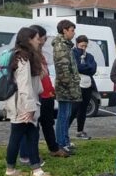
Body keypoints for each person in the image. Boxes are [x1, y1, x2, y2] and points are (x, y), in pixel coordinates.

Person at [5, 27, 56, 176]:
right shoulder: (23, 59)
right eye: (36, 38)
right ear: (29, 40)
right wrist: (30, 108)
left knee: (31, 135)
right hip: (23, 105)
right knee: (18, 136)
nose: (38, 40)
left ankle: (35, 170)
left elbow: (36, 81)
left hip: (24, 103)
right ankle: (13, 170)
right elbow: (25, 85)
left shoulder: (25, 57)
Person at [26, 25, 68, 158]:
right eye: (41, 38)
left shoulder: (40, 54)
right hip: (38, 95)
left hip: (47, 94)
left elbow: (45, 75)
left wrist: (51, 89)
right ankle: (31, 152)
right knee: (34, 126)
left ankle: (53, 148)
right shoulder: (29, 55)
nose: (42, 42)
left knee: (48, 123)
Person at [53, 19, 81, 155]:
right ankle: (61, 143)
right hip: (65, 87)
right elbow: (63, 70)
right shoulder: (60, 46)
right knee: (63, 116)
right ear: (64, 30)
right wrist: (71, 87)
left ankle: (65, 141)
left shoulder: (66, 45)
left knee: (66, 114)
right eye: (72, 30)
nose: (74, 33)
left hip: (69, 86)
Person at [69, 35, 97, 140]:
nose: (83, 48)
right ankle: (64, 131)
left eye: (85, 46)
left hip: (88, 85)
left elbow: (93, 69)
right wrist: (86, 68)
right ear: (77, 44)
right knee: (74, 109)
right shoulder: (73, 53)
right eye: (81, 46)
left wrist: (85, 68)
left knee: (83, 109)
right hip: (77, 85)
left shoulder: (89, 56)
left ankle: (80, 131)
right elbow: (76, 67)